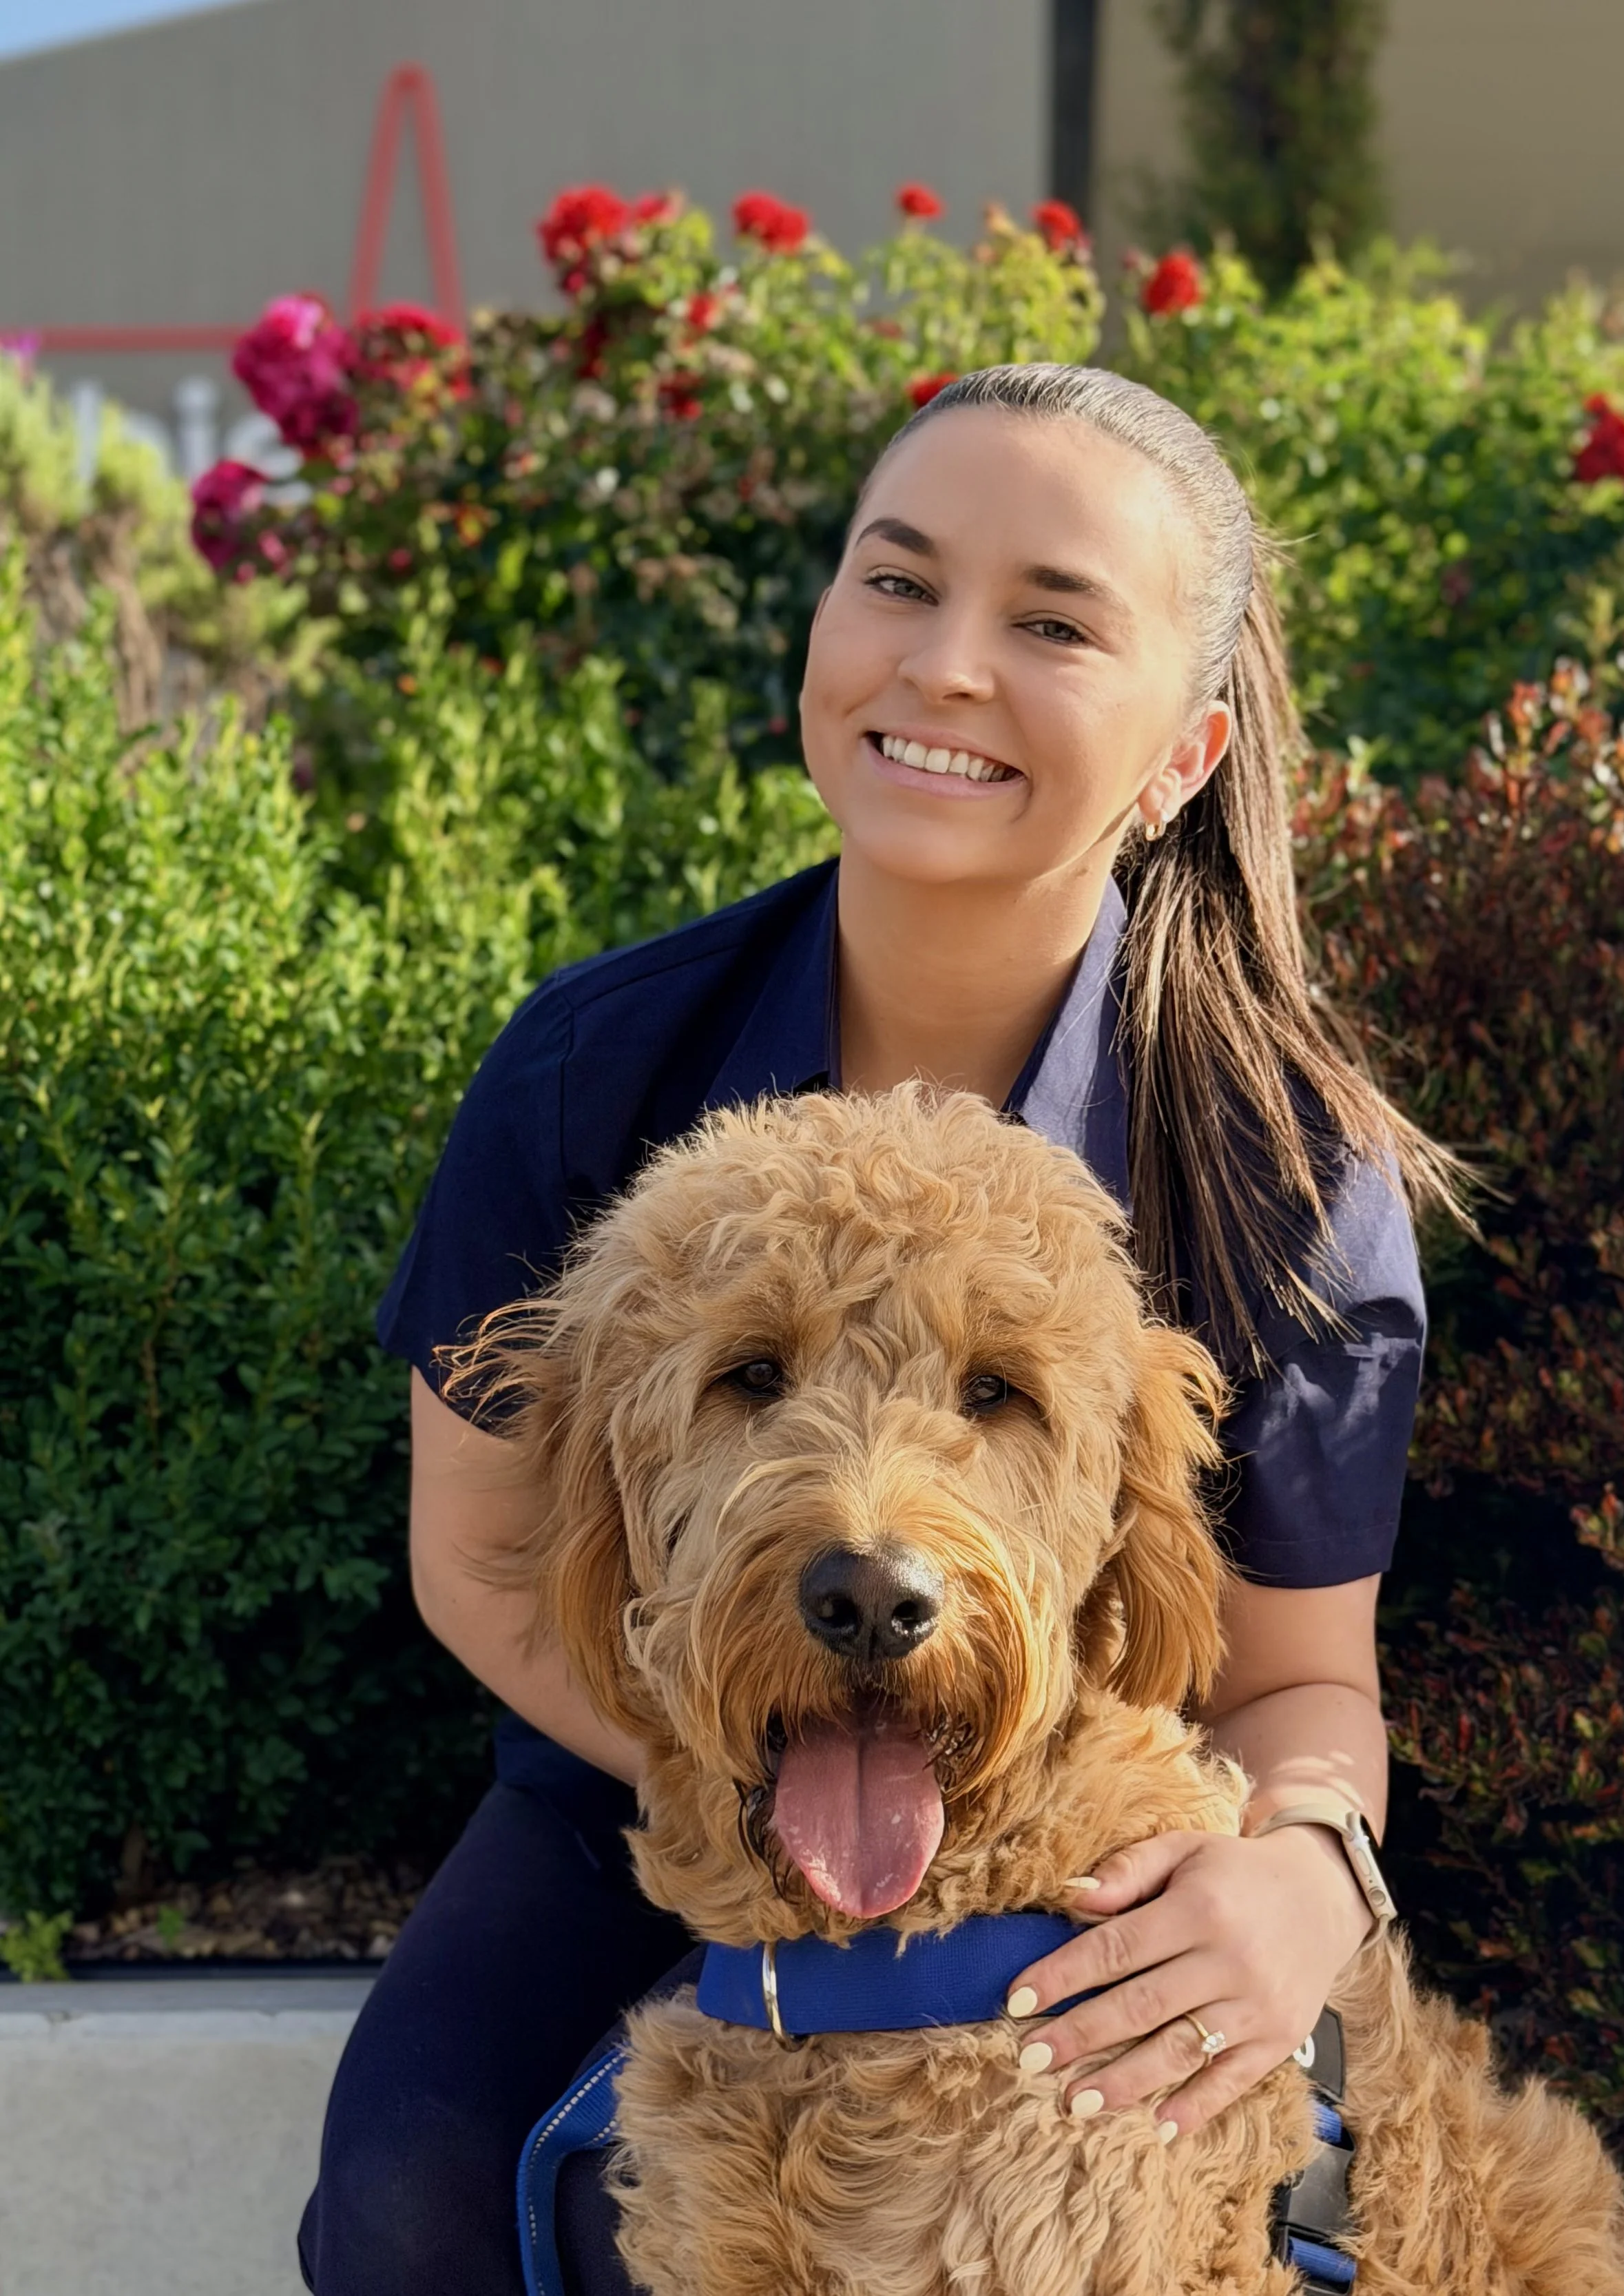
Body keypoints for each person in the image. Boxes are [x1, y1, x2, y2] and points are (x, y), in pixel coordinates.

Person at [298, 364, 1461, 2295]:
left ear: (1183, 750)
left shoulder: (1283, 1171)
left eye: (1051, 623)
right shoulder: (594, 1070)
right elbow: (486, 1551)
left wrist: (1301, 1878)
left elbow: (1292, 1682)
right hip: (637, 1781)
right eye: (896, 584)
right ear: (823, 628)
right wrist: (750, 1802)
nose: (944, 666)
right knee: (412, 2211)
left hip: (1057, 1826)